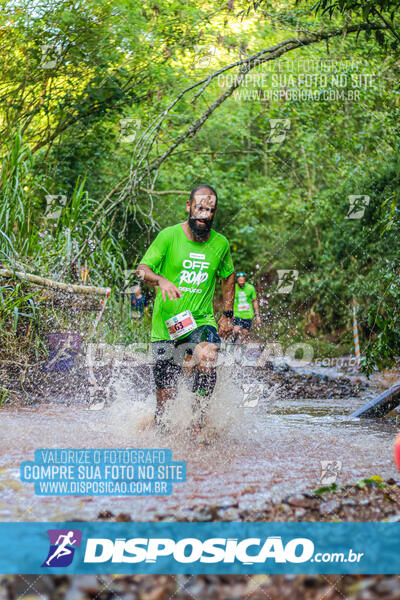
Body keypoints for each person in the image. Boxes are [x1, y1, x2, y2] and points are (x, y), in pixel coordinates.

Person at [136, 184, 235, 430]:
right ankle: (161, 433)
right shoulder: (169, 236)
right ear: (189, 207)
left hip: (201, 320)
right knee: (164, 413)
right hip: (166, 328)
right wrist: (161, 280)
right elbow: (142, 270)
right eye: (200, 208)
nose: (204, 215)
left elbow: (228, 275)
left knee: (208, 356)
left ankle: (198, 420)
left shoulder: (220, 244)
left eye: (210, 210)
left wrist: (227, 314)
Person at [233, 272, 261, 344]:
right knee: (236, 330)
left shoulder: (250, 288)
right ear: (237, 280)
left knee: (245, 333)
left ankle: (242, 350)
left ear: (245, 280)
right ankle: (234, 341)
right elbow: (230, 301)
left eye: (243, 281)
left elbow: (255, 301)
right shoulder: (234, 288)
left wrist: (257, 315)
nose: (241, 283)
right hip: (237, 314)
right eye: (240, 281)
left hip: (248, 314)